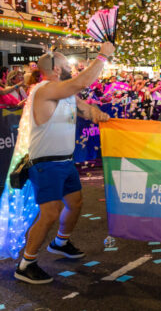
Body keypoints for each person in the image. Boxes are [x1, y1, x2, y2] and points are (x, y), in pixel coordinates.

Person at [14, 43, 115, 284]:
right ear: (57, 69)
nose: (70, 69)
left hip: (65, 162)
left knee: (76, 202)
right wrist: (102, 56)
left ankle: (61, 242)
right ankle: (26, 264)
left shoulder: (65, 93)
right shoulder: (44, 90)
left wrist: (96, 113)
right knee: (50, 213)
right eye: (67, 65)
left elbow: (85, 108)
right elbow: (81, 82)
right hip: (45, 163)